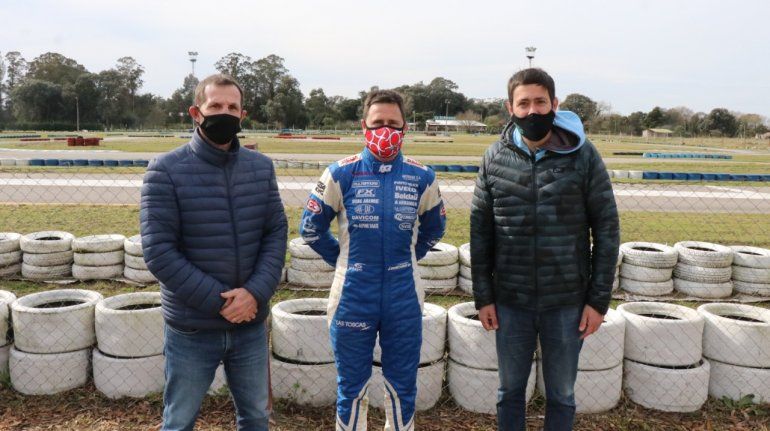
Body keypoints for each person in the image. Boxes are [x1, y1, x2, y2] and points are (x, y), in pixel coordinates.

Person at [470, 68, 619, 431]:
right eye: (524, 103)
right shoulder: (494, 157)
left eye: (540, 102)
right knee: (508, 392)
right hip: (510, 301)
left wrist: (598, 301)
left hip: (566, 302)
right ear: (510, 108)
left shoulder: (584, 156)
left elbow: (607, 229)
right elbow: (480, 233)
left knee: (562, 394)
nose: (532, 111)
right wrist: (483, 296)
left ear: (555, 104)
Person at [141, 73, 288, 431]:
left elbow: (276, 232)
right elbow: (159, 252)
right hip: (193, 327)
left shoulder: (261, 167)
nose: (224, 112)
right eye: (215, 106)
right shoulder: (165, 170)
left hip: (250, 325)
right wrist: (221, 302)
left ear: (243, 114)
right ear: (196, 112)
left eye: (232, 107)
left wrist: (253, 294)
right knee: (179, 420)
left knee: (255, 417)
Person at [299, 89, 446, 431]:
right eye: (378, 122)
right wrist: (343, 262)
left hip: (404, 295)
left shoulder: (423, 176)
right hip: (352, 294)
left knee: (402, 385)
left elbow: (434, 230)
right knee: (351, 387)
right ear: (363, 126)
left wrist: (410, 257)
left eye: (393, 123)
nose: (385, 130)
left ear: (405, 127)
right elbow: (310, 229)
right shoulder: (339, 173)